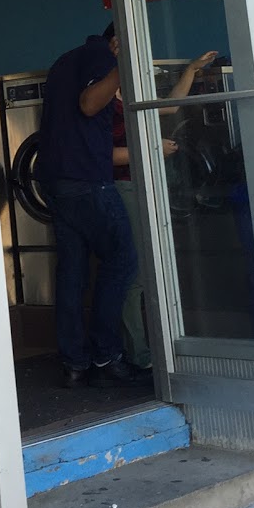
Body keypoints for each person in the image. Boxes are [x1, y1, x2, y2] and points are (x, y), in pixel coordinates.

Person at [38, 23, 216, 388]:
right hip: (91, 180)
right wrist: (122, 67)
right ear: (119, 42)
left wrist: (190, 71)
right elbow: (89, 105)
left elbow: (158, 107)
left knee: (72, 273)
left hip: (56, 179)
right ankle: (108, 354)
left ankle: (75, 361)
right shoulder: (102, 59)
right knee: (122, 262)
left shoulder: (67, 61)